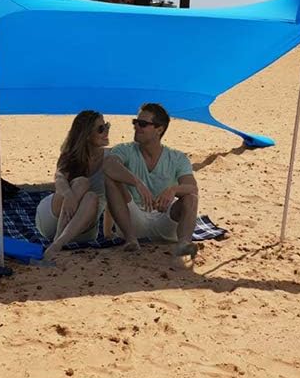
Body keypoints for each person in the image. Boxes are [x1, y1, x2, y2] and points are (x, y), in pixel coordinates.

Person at [103, 102, 200, 258]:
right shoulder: (125, 149)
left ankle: (184, 243)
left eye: (142, 124)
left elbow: (192, 188)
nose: (136, 127)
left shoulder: (177, 158)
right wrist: (136, 182)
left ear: (159, 129)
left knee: (190, 197)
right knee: (111, 179)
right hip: (133, 220)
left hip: (164, 220)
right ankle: (131, 240)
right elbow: (108, 165)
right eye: (135, 122)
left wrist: (173, 190)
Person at [36, 110, 111, 262]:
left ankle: (57, 243)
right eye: (101, 129)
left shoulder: (111, 158)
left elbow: (114, 195)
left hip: (83, 226)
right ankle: (58, 238)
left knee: (91, 196)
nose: (106, 132)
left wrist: (108, 232)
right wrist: (69, 195)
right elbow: (59, 177)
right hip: (53, 218)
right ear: (87, 134)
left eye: (107, 126)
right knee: (82, 182)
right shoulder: (71, 155)